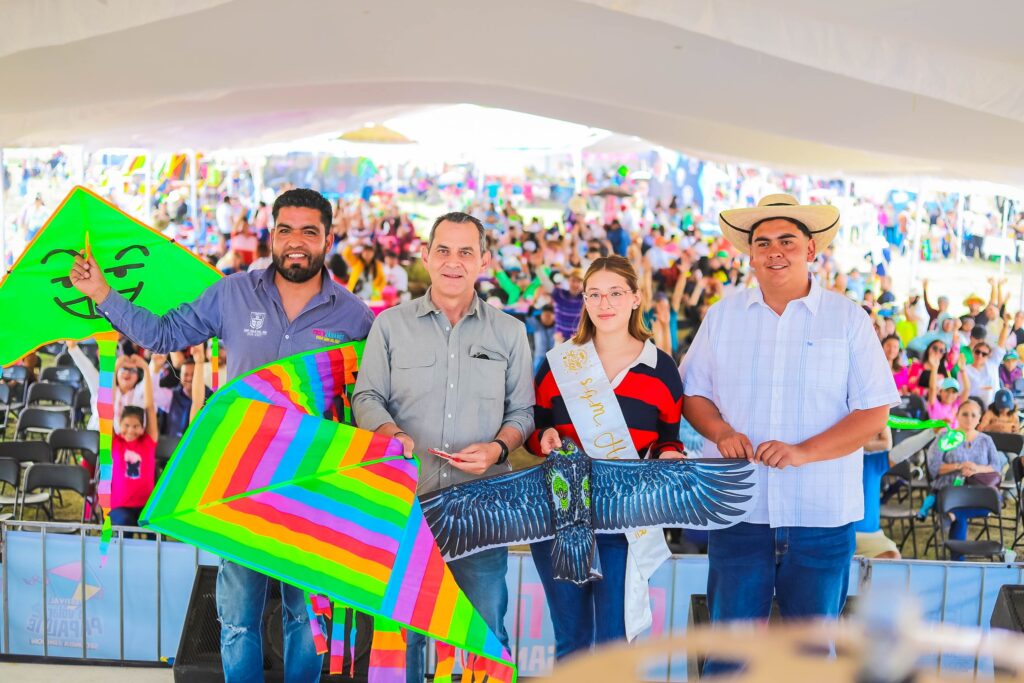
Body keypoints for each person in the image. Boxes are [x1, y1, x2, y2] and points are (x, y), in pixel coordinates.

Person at [69, 187, 375, 683]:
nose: (296, 241)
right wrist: (103, 294)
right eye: (285, 230)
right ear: (270, 235)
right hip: (242, 481)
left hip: (312, 485)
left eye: (309, 231)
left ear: (329, 238)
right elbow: (166, 335)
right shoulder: (232, 294)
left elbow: (369, 399)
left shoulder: (355, 316)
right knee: (237, 619)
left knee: (307, 618)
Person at [681, 195, 898, 641]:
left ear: (811, 249)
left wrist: (803, 452)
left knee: (811, 657)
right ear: (751, 253)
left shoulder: (847, 319)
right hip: (739, 510)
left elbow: (875, 410)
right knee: (730, 656)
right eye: (763, 243)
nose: (774, 251)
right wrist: (720, 431)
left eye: (787, 240)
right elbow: (692, 394)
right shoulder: (722, 317)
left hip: (821, 515)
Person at [352, 211, 534, 683]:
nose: (454, 262)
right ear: (427, 256)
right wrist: (390, 433)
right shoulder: (389, 326)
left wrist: (498, 448)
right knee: (400, 636)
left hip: (481, 513)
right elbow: (366, 396)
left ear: (484, 261)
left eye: (466, 252)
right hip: (405, 507)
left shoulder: (510, 333)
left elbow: (523, 415)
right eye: (444, 250)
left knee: (483, 636)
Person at [528, 255, 685, 660]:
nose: (604, 303)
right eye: (594, 294)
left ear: (635, 298)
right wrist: (542, 436)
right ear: (584, 301)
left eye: (615, 293)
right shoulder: (559, 363)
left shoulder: (661, 368)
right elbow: (533, 426)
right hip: (560, 518)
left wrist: (669, 458)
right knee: (572, 643)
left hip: (623, 520)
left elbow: (670, 439)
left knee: (615, 646)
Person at [926, 400, 1002, 559]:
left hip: (977, 489)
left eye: (973, 415)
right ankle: (958, 563)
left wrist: (976, 468)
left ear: (979, 418)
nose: (969, 418)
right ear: (957, 416)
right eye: (965, 414)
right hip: (949, 488)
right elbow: (934, 467)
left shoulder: (985, 440)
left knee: (994, 501)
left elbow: (996, 466)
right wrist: (959, 466)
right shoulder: (945, 436)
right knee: (957, 508)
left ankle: (953, 515)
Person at [109, 355, 158, 527]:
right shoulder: (115, 442)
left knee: (153, 532)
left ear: (143, 426)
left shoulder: (148, 442)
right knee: (124, 528)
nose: (130, 430)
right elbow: (108, 407)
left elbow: (150, 407)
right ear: (119, 424)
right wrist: (115, 370)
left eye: (136, 426)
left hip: (146, 507)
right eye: (126, 425)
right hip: (120, 508)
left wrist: (146, 369)